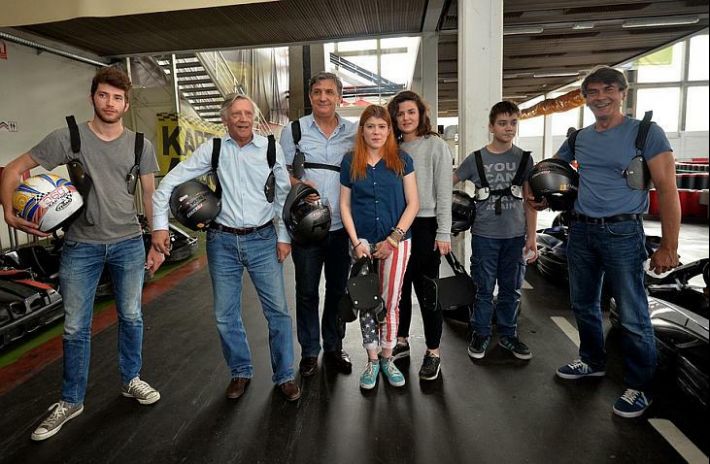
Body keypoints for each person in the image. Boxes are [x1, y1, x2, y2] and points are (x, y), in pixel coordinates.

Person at [0, 66, 164, 441]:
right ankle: (71, 400)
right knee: (75, 326)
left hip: (128, 242)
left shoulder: (140, 144)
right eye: (104, 95)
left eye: (118, 98)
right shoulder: (68, 138)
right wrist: (8, 209)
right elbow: (14, 168)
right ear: (93, 97)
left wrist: (157, 239)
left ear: (126, 104)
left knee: (132, 316)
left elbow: (150, 195)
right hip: (80, 246)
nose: (110, 103)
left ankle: (131, 379)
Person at [533, 66, 680, 418]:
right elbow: (551, 169)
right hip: (580, 231)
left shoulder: (646, 133)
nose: (600, 97)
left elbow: (668, 190)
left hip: (623, 232)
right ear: (585, 98)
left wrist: (669, 247)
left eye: (608, 90)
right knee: (583, 304)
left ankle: (640, 386)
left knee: (631, 313)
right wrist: (538, 194)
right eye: (593, 92)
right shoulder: (579, 138)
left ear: (622, 93)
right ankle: (591, 360)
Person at [151, 94, 301, 402]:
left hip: (263, 240)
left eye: (247, 113)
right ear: (225, 119)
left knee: (278, 313)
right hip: (222, 242)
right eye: (236, 114)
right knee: (225, 314)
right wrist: (160, 226)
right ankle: (240, 371)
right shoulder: (214, 149)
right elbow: (168, 183)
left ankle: (285, 375)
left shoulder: (270, 148)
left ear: (254, 118)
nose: (243, 119)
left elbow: (282, 196)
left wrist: (283, 237)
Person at [279, 72, 356, 377]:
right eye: (317, 92)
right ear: (310, 96)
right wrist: (298, 184)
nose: (323, 97)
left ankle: (334, 347)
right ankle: (310, 351)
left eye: (329, 92)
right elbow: (281, 172)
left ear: (339, 97)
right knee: (307, 292)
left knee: (337, 291)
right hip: (306, 229)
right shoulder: (294, 131)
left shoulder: (354, 132)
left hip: (341, 228)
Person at [339, 104, 419, 390]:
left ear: (389, 130)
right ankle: (372, 359)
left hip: (396, 243)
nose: (376, 132)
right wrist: (355, 241)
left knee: (391, 302)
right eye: (370, 126)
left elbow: (413, 203)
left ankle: (387, 357)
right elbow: (345, 205)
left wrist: (393, 239)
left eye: (382, 127)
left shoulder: (402, 160)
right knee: (366, 302)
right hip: (362, 244)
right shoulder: (350, 161)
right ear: (362, 131)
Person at [453, 101, 538, 362]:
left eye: (513, 123)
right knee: (484, 289)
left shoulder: (524, 159)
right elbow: (449, 182)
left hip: (515, 236)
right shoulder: (476, 159)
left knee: (511, 290)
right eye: (502, 123)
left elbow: (530, 201)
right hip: (484, 235)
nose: (508, 128)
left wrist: (532, 237)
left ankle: (508, 335)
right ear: (491, 127)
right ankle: (480, 333)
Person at [386, 91, 452, 380]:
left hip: (426, 226)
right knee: (399, 289)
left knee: (428, 292)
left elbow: (445, 193)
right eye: (400, 113)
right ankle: (401, 341)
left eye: (411, 112)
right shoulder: (392, 147)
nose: (406, 118)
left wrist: (444, 232)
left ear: (421, 114)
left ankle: (433, 352)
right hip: (399, 226)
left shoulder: (435, 145)